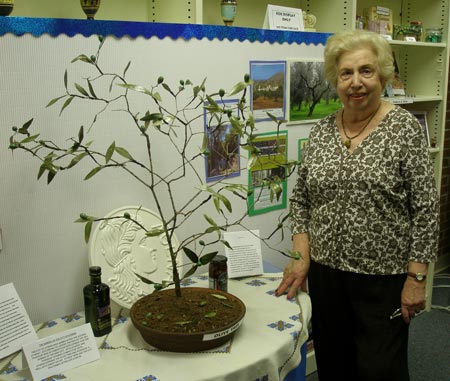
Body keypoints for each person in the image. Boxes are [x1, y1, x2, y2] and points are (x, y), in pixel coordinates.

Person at [276, 29, 439, 381]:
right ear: (336, 79)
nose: (356, 82)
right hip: (326, 276)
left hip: (384, 279)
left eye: (366, 71)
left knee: (380, 369)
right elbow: (302, 197)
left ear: (382, 74)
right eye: (346, 73)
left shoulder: (404, 129)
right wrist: (301, 255)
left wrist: (416, 278)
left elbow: (425, 210)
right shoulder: (321, 131)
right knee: (334, 362)